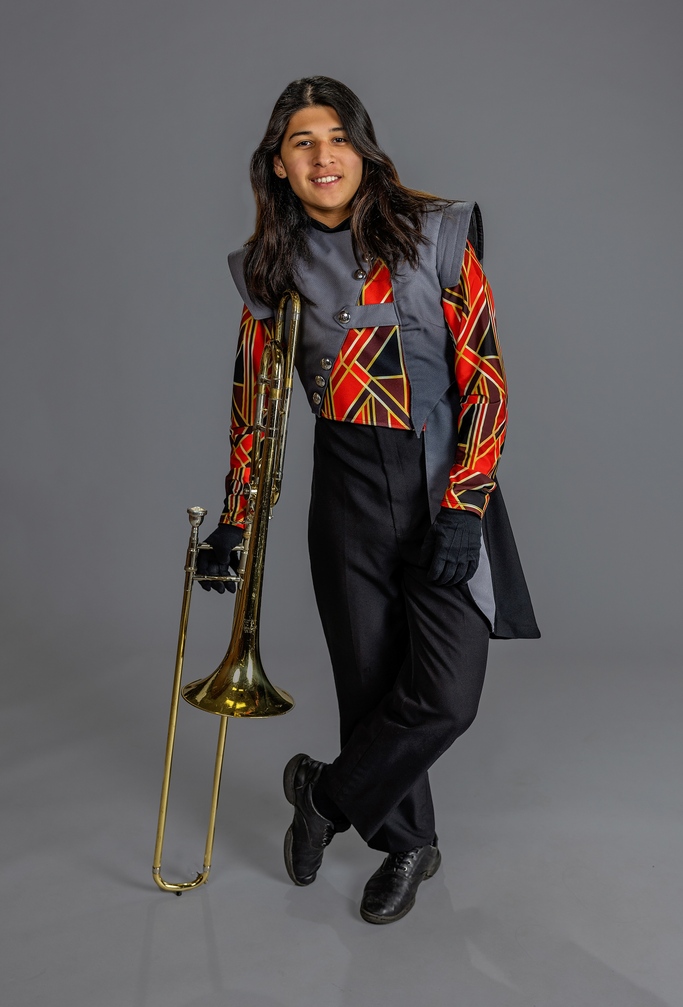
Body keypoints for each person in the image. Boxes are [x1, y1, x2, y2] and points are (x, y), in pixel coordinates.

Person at [197, 76, 540, 925]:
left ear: (363, 147)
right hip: (344, 490)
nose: (324, 156)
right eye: (303, 142)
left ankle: (323, 794)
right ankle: (408, 845)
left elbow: (486, 383)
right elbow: (257, 401)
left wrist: (463, 507)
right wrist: (237, 517)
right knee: (369, 682)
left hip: (438, 481)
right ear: (277, 165)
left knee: (445, 696)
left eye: (337, 138)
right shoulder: (269, 270)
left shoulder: (438, 231)